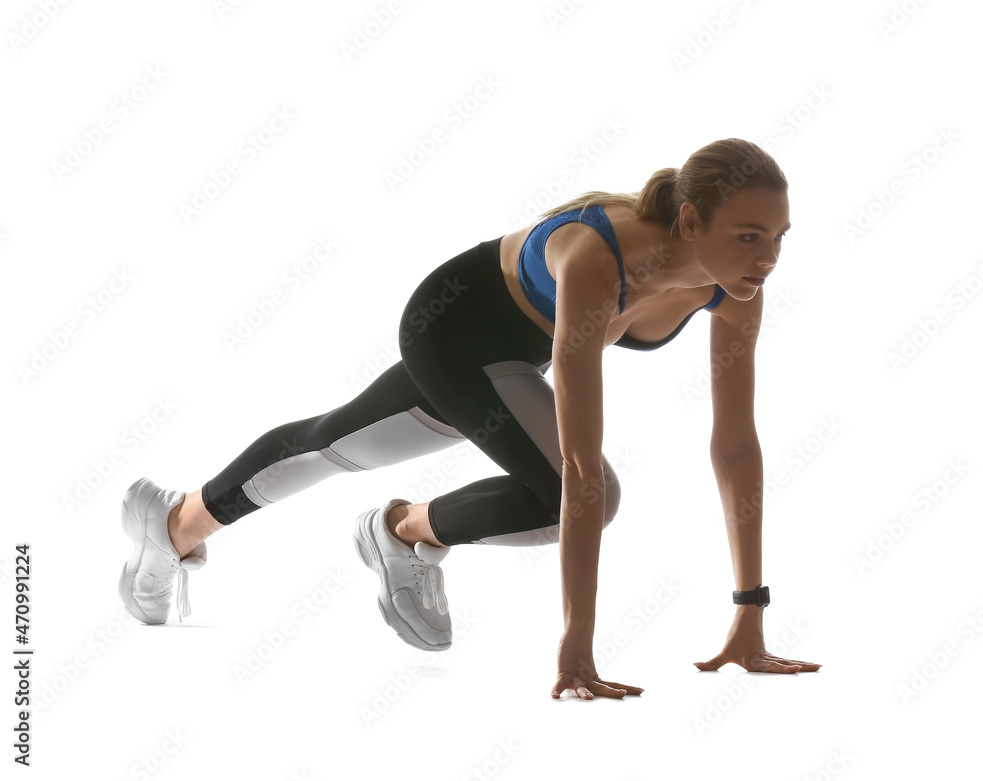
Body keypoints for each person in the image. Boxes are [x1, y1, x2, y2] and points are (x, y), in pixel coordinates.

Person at [118, 137, 821, 700]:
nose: (768, 260)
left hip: (518, 358)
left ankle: (184, 522)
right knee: (579, 491)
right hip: (454, 327)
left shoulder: (733, 289)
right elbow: (578, 467)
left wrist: (749, 611)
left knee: (332, 439)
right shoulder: (596, 258)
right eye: (750, 237)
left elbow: (735, 447)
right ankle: (397, 532)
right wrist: (578, 646)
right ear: (693, 222)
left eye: (779, 238)